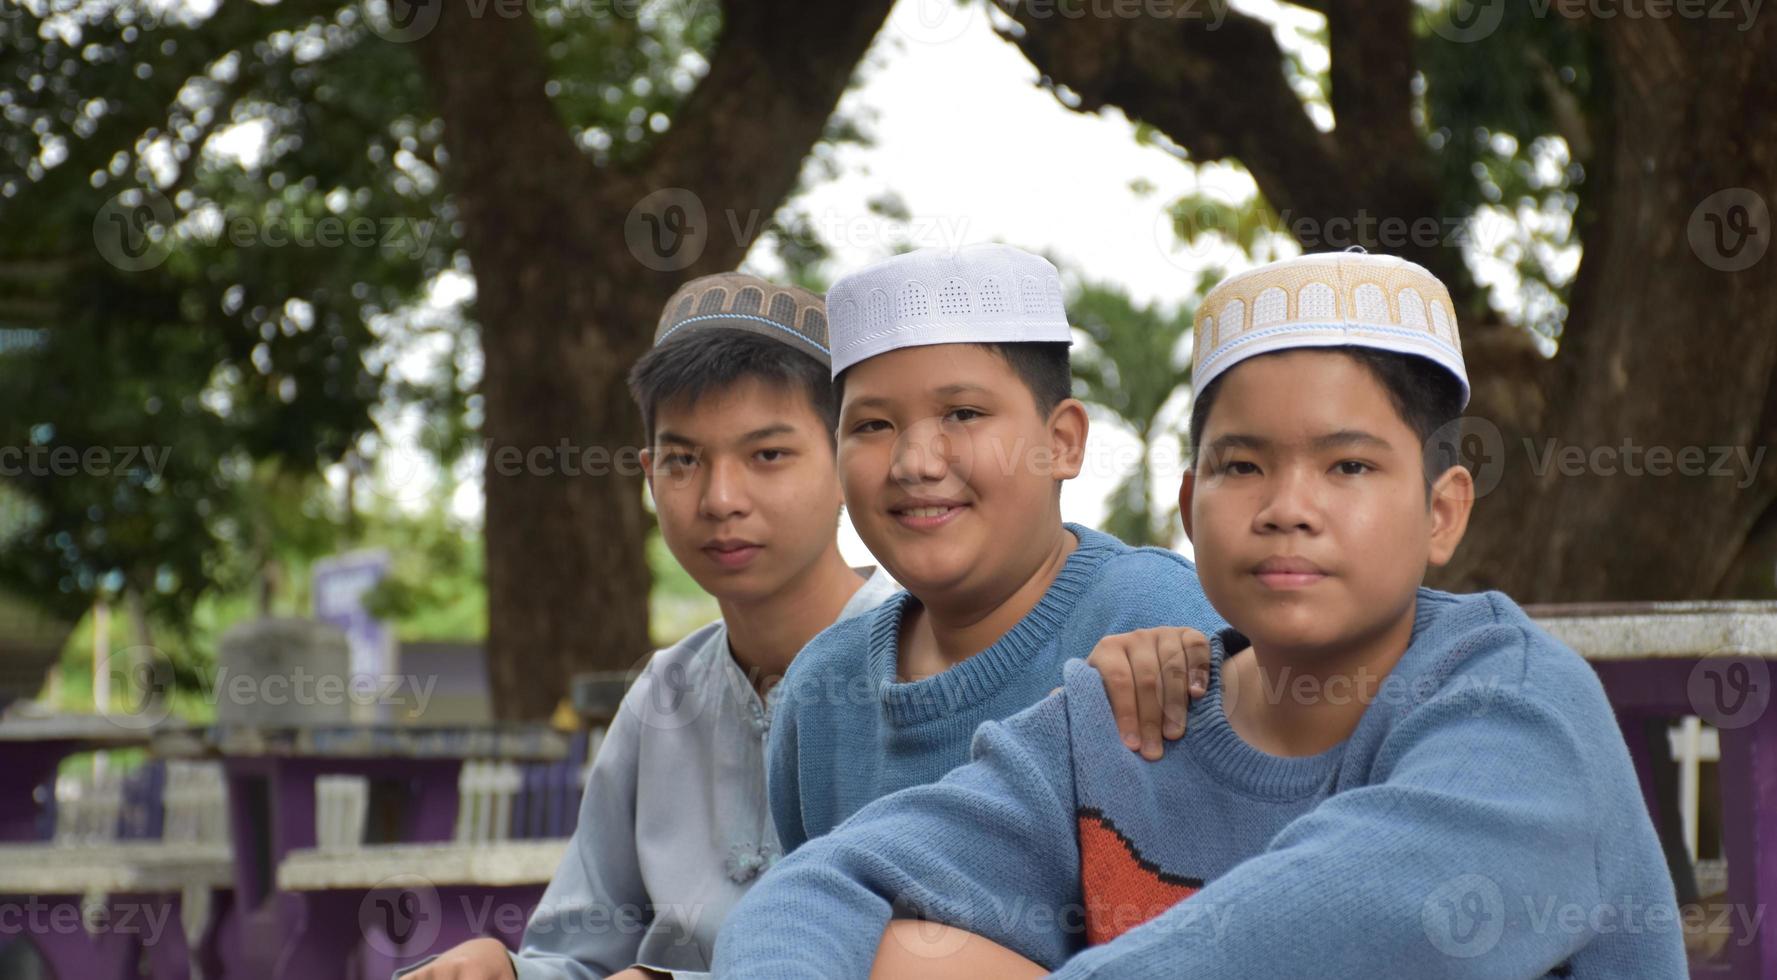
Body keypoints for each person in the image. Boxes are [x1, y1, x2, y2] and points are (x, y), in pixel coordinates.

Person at [712, 250, 1687, 979]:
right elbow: (820, 885)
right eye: (1240, 464)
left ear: (1441, 510)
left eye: (1347, 464)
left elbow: (1334, 924)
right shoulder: (1123, 717)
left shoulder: (1516, 709)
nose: (1285, 505)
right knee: (901, 948)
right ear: (1188, 509)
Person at [401, 273, 898, 979]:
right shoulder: (661, 696)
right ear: (648, 474)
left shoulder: (930, 666)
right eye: (683, 461)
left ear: (847, 462)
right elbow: (581, 954)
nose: (720, 499)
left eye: (767, 455)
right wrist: (509, 971)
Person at [767, 243, 1224, 856]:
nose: (914, 463)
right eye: (872, 426)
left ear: (1062, 441)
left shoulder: (1163, 620)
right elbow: (810, 925)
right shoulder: (820, 691)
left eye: (962, 413)